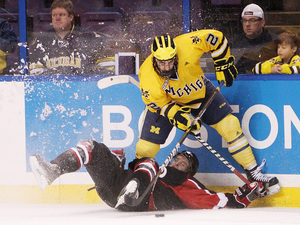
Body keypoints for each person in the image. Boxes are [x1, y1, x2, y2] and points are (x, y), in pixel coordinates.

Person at [136, 30, 280, 196]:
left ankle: (254, 173)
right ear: (155, 59)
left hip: (200, 93)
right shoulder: (147, 75)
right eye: (162, 63)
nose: (167, 67)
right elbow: (160, 106)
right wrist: (182, 118)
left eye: (170, 61)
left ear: (175, 55)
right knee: (146, 147)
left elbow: (218, 38)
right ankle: (138, 181)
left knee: (230, 125)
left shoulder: (188, 44)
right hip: (169, 103)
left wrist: (223, 64)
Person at [29, 139, 266, 211]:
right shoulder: (158, 168)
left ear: (189, 173)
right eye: (177, 158)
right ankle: (54, 169)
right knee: (93, 147)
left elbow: (215, 200)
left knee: (151, 164)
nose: (178, 162)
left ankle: (133, 189)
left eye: (184, 164)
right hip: (113, 187)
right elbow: (137, 165)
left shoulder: (185, 182)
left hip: (137, 201)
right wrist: (119, 162)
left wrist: (244, 195)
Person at [28, 0, 114, 75]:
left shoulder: (88, 37)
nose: (57, 18)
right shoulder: (41, 41)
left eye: (62, 14)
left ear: (71, 17)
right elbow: (35, 72)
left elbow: (108, 65)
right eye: (54, 15)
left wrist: (89, 79)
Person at [231, 3, 277, 74]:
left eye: (252, 20)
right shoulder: (235, 43)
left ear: (262, 22)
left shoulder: (274, 41)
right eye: (244, 20)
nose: (247, 24)